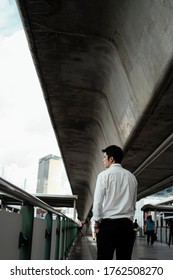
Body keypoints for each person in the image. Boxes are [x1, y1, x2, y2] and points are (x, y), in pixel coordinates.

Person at [92, 145, 138, 260]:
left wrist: (97, 223)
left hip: (108, 226)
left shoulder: (103, 176)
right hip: (126, 226)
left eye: (104, 157)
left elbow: (98, 202)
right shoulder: (132, 177)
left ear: (111, 159)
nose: (103, 160)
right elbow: (133, 203)